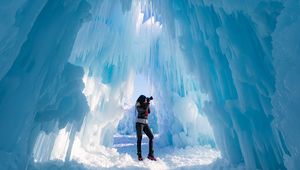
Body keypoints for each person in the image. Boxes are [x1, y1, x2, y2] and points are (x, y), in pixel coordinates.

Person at [135, 95, 156, 161]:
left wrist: (147, 103)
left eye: (145, 100)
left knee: (151, 137)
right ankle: (139, 155)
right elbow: (142, 110)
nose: (145, 101)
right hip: (139, 124)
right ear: (141, 100)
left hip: (145, 124)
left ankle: (151, 155)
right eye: (144, 100)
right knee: (139, 139)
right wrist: (147, 103)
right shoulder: (138, 105)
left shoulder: (145, 105)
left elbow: (148, 111)